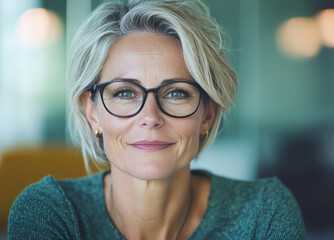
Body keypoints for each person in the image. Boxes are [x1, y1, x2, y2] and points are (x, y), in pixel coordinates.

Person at [8, 0, 306, 239]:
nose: (150, 117)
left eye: (176, 93)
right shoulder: (50, 212)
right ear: (92, 111)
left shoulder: (265, 214)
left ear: (208, 113)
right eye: (125, 93)